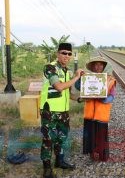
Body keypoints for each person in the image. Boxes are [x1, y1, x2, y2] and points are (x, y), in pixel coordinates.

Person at [40, 43, 83, 178]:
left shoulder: (67, 71)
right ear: (57, 53)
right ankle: (47, 168)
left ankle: (59, 161)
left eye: (69, 54)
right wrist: (76, 77)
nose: (67, 56)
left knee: (61, 138)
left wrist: (80, 99)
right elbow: (58, 87)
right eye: (64, 53)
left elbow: (67, 93)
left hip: (64, 112)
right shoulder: (50, 67)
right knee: (48, 140)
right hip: (50, 111)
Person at [75, 56, 116, 162]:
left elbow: (112, 96)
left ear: (103, 67)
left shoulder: (109, 79)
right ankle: (92, 153)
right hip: (89, 114)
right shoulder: (87, 78)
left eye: (101, 65)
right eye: (96, 64)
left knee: (101, 136)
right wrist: (79, 76)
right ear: (92, 67)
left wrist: (102, 98)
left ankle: (102, 154)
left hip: (101, 114)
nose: (98, 67)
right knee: (90, 135)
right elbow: (78, 86)